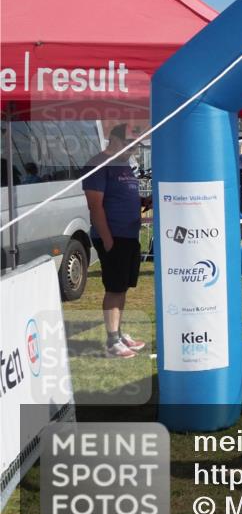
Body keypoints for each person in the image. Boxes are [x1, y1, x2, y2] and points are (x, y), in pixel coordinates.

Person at [82, 124, 148, 358]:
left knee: (122, 287)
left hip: (129, 235)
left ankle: (118, 333)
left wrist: (144, 201)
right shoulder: (98, 164)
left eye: (136, 146)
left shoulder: (124, 164)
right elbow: (95, 206)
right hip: (113, 236)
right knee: (114, 288)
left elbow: (124, 195)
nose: (134, 150)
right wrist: (108, 240)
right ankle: (112, 341)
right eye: (131, 145)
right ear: (115, 140)